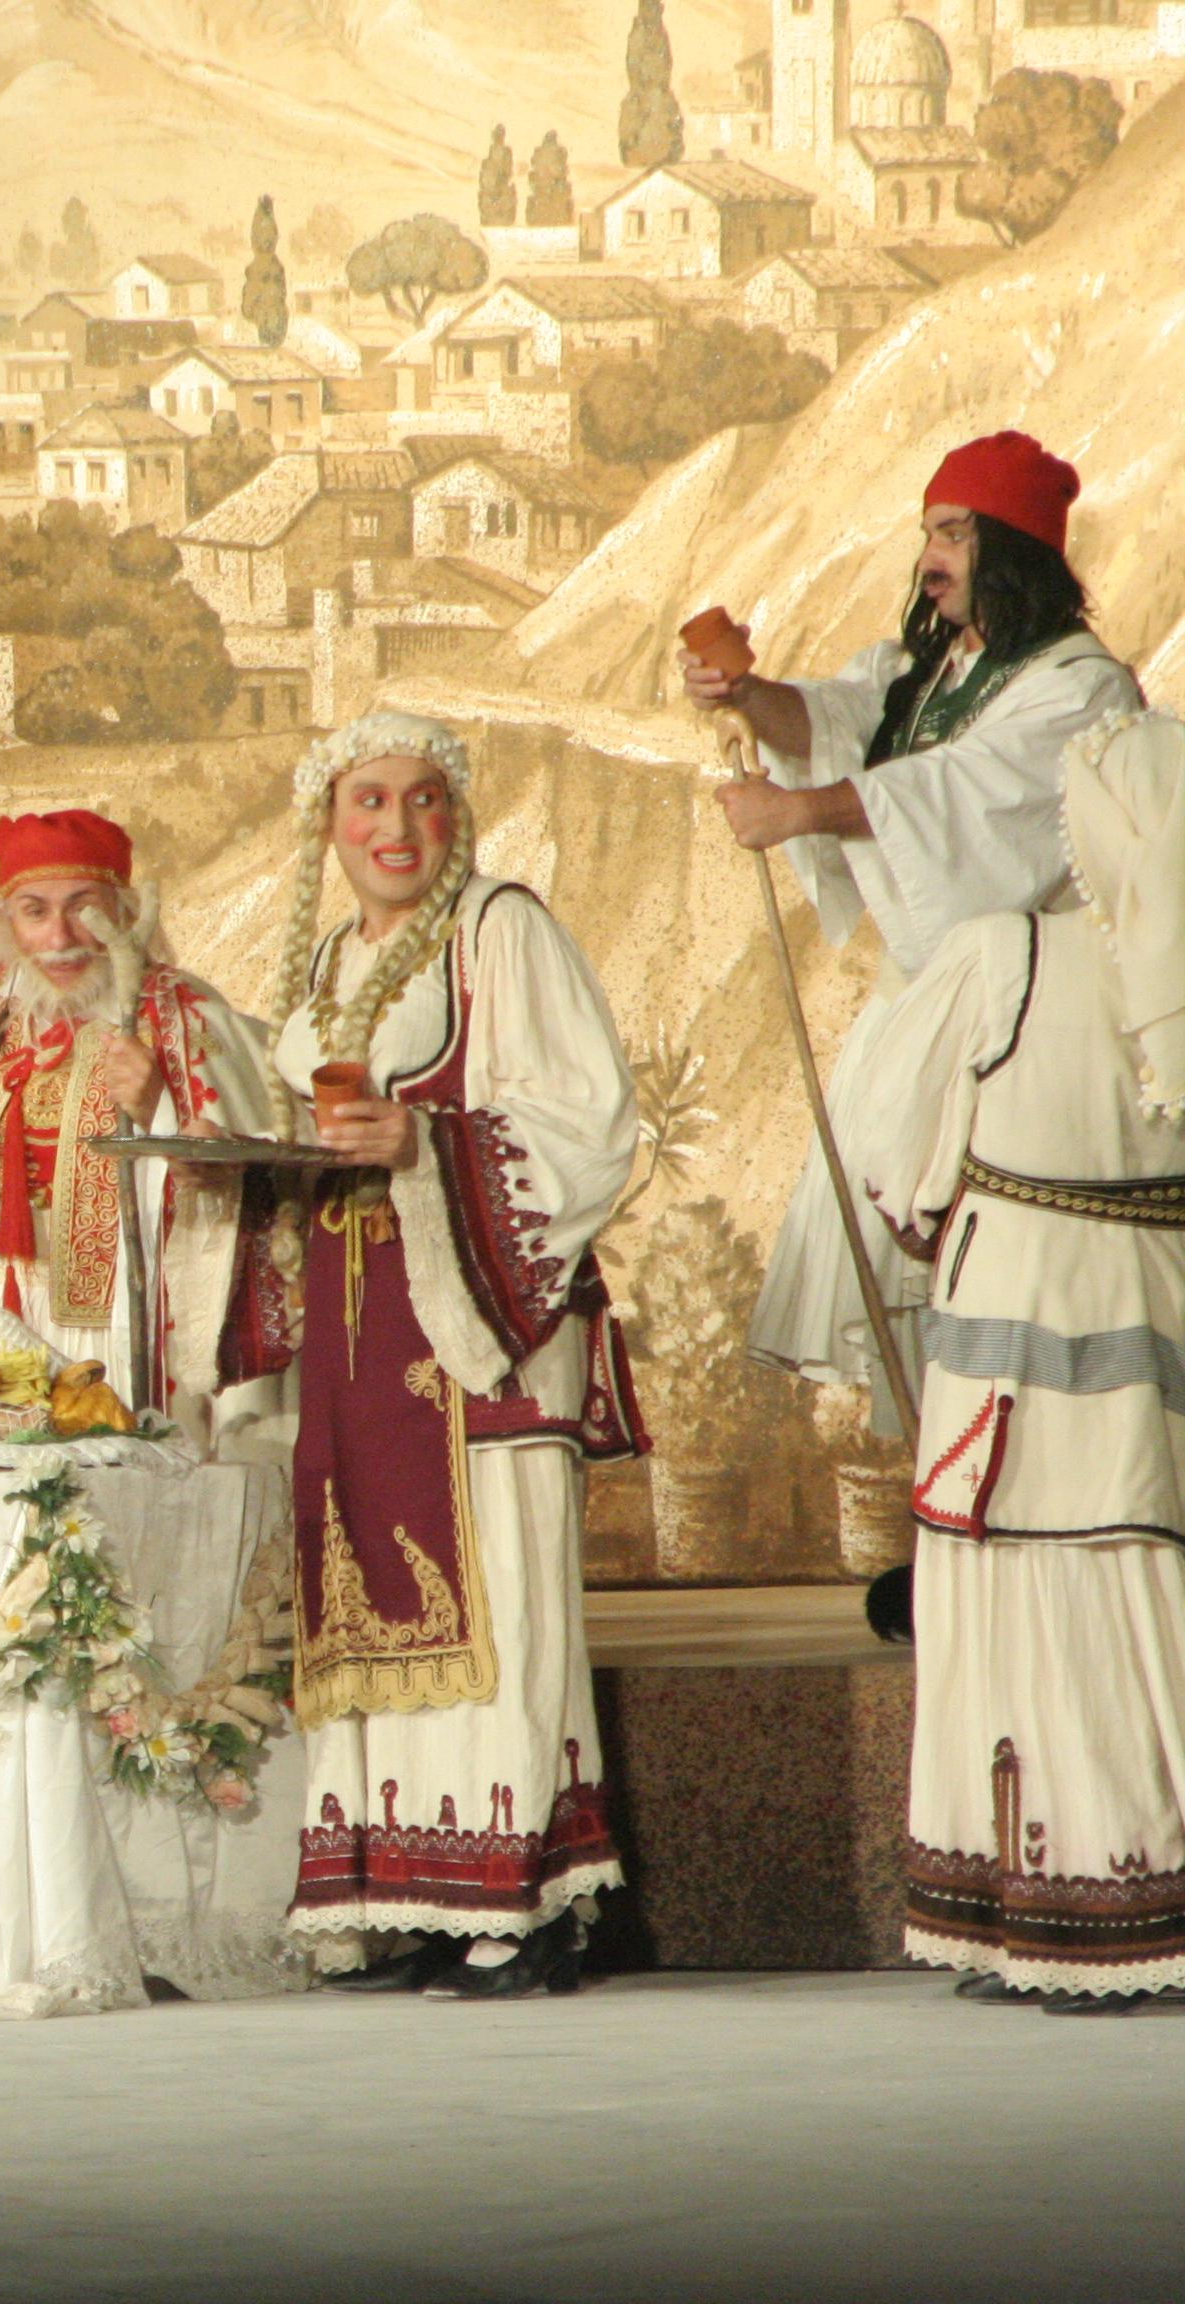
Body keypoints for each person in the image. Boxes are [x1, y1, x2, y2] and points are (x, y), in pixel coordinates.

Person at [190, 710, 646, 1998]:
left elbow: (591, 1121)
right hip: (362, 1329)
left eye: (424, 798)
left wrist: (425, 1145)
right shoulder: (333, 962)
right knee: (374, 1600)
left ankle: (523, 1907)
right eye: (369, 801)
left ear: (458, 814)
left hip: (478, 1332)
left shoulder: (500, 931)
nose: (397, 826)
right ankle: (415, 1899)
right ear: (328, 826)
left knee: (497, 1594)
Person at [682, 433, 1143, 1417]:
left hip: (1025, 1035)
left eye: (954, 534)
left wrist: (800, 813)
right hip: (924, 1015)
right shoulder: (930, 671)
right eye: (928, 533)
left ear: (1012, 548)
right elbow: (844, 722)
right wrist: (751, 698)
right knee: (919, 1316)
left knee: (1002, 1295)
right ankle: (940, 1501)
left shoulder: (1078, 688)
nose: (929, 558)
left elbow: (970, 796)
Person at [843, 707, 1185, 2012]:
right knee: (1140, 1597)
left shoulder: (1011, 955)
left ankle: (1059, 1916)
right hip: (1156, 1329)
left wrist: (931, 1206)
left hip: (1013, 1322)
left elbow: (891, 1134)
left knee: (1021, 1606)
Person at [0, 806, 278, 1415]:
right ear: (6, 920)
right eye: (35, 911)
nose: (60, 938)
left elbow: (255, 1169)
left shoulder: (182, 1012)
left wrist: (158, 1106)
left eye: (83, 908)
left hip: (124, 1308)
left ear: (124, 913)